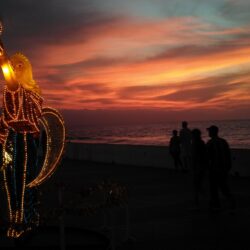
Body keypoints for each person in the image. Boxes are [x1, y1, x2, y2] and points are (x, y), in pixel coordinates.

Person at [0, 42, 43, 238]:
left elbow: (33, 116)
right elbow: (4, 119)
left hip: (26, 141)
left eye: (20, 66)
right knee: (10, 181)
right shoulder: (9, 93)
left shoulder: (32, 92)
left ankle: (27, 220)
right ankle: (15, 218)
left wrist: (3, 62)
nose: (16, 68)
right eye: (13, 65)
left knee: (25, 180)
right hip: (11, 139)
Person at [206, 125, 236, 211]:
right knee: (223, 186)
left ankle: (216, 205)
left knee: (214, 188)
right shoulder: (223, 141)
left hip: (214, 169)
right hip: (223, 168)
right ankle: (230, 200)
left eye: (209, 131)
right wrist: (228, 167)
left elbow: (208, 157)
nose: (208, 133)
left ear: (212, 132)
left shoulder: (210, 143)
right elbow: (228, 155)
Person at [191, 129, 207, 208]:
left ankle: (199, 201)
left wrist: (193, 167)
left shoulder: (195, 144)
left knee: (197, 184)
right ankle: (198, 200)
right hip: (201, 166)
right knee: (198, 184)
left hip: (198, 166)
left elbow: (195, 156)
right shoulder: (202, 143)